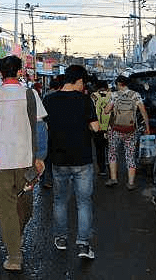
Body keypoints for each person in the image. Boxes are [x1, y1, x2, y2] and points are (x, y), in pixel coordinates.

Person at [0, 55, 46, 272]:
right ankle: (15, 255)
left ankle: (15, 237)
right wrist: (40, 156)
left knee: (19, 209)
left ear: (0, 73)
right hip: (17, 162)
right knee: (13, 208)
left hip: (12, 162)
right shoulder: (29, 95)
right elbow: (41, 128)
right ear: (20, 72)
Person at [44, 65, 100, 259]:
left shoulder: (49, 100)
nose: (83, 86)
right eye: (83, 82)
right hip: (82, 159)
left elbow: (46, 127)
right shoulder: (85, 100)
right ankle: (83, 245)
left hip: (59, 159)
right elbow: (95, 127)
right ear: (78, 81)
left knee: (60, 200)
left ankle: (61, 239)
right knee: (83, 202)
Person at [104, 75, 149, 190]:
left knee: (112, 153)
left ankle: (113, 178)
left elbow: (106, 111)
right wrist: (147, 127)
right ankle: (131, 183)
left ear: (119, 84)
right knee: (130, 155)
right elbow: (143, 112)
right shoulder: (135, 95)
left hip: (116, 130)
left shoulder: (114, 95)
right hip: (131, 130)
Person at [41, 77, 62, 189]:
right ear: (59, 86)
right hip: (59, 131)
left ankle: (46, 179)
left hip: (47, 130)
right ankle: (58, 180)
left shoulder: (46, 97)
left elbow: (42, 116)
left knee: (47, 157)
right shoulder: (61, 98)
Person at [90, 80, 113, 177]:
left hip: (97, 127)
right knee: (111, 149)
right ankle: (111, 167)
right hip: (110, 127)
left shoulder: (93, 96)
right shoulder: (112, 95)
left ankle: (102, 169)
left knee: (99, 150)